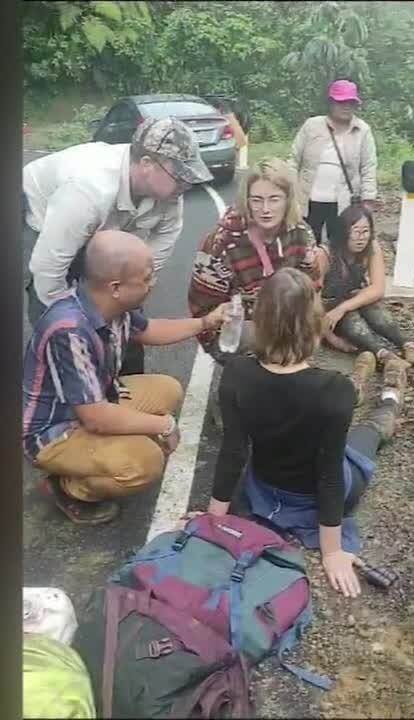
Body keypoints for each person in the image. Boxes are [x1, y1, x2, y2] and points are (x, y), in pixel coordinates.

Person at [201, 268, 407, 598]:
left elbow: (233, 451)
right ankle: (390, 394)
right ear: (314, 324)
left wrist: (212, 520)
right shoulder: (333, 389)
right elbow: (329, 473)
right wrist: (332, 551)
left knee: (353, 420)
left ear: (260, 323)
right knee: (369, 433)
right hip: (318, 490)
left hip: (263, 492)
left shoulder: (236, 373)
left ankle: (366, 373)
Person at [23, 230, 228, 525]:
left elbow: (149, 330)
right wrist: (164, 425)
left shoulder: (111, 305)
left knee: (167, 390)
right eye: (146, 278)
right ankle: (69, 488)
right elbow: (96, 418)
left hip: (94, 403)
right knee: (145, 462)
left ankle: (100, 452)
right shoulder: (69, 330)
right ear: (116, 287)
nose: (153, 283)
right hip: (55, 430)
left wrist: (206, 322)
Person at [22, 117, 213, 375]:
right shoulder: (88, 188)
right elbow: (48, 271)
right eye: (180, 175)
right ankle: (63, 376)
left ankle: (124, 378)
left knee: (122, 302)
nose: (186, 184)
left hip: (99, 222)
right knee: (56, 316)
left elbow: (147, 266)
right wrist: (75, 328)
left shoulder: (170, 196)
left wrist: (129, 295)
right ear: (147, 164)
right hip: (41, 215)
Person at [187, 158, 321, 360]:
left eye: (274, 199)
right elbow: (203, 307)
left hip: (284, 317)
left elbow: (312, 286)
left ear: (288, 200)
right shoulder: (220, 243)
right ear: (246, 201)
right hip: (236, 326)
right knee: (263, 346)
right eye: (257, 200)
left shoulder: (301, 233)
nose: (265, 209)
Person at [319, 205, 414, 403]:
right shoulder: (325, 254)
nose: (361, 238)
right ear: (344, 232)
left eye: (365, 231)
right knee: (352, 320)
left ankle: (407, 345)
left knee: (374, 308)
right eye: (356, 231)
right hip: (328, 308)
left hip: (351, 299)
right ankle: (384, 354)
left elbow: (378, 288)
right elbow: (310, 301)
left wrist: (345, 305)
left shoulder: (371, 247)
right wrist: (330, 338)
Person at [290, 79, 380, 246]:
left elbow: (368, 167)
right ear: (331, 103)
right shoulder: (312, 126)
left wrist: (368, 199)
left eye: (351, 103)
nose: (346, 107)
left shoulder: (362, 130)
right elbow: (293, 160)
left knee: (340, 245)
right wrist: (290, 192)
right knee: (306, 244)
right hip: (308, 200)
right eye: (341, 102)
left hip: (343, 202)